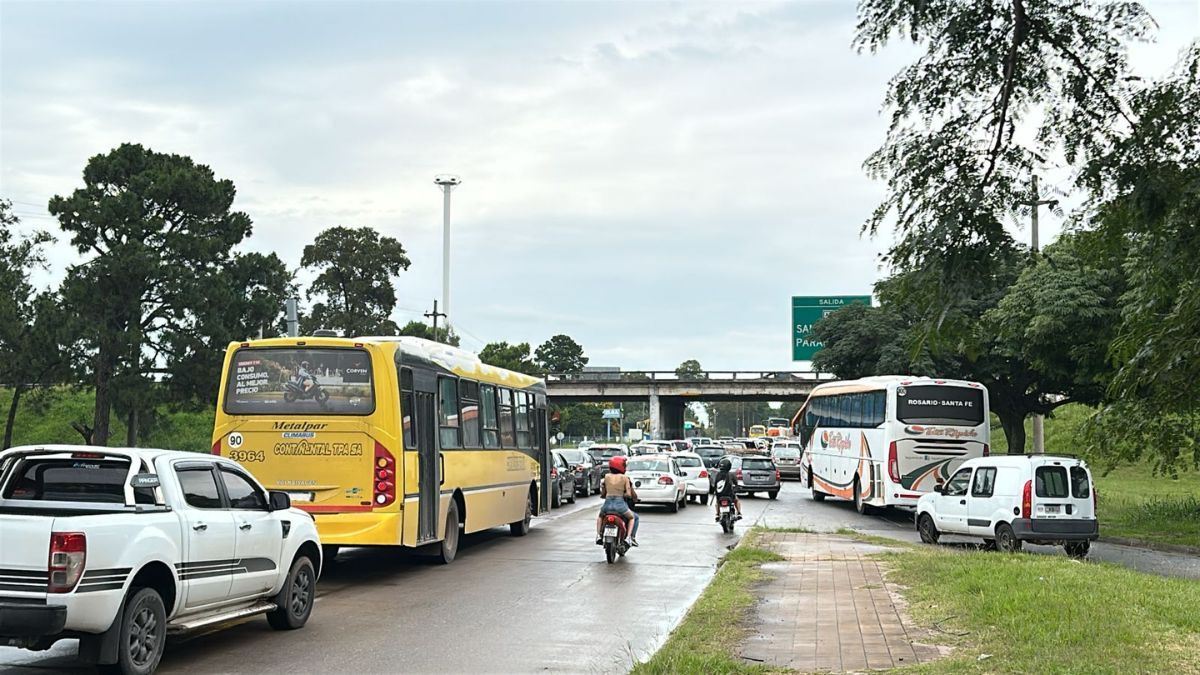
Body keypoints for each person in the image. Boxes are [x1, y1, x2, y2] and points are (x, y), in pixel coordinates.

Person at [596, 456, 639, 546]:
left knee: (600, 516)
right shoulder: (625, 478)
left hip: (607, 505)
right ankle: (628, 538)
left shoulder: (606, 477)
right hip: (620, 505)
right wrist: (622, 494)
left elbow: (603, 494)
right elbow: (629, 494)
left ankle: (598, 535)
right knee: (632, 518)